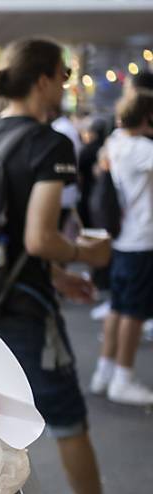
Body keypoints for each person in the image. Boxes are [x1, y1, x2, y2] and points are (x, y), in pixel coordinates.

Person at [0, 37, 151, 494]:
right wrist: (83, 255)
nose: (68, 85)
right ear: (45, 79)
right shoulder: (49, 143)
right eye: (65, 75)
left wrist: (54, 273)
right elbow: (36, 238)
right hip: (24, 307)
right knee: (66, 413)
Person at [91, 92, 153, 405]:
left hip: (121, 238)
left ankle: (104, 371)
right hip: (141, 239)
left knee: (117, 307)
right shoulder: (142, 148)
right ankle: (123, 377)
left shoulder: (115, 143)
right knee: (134, 311)